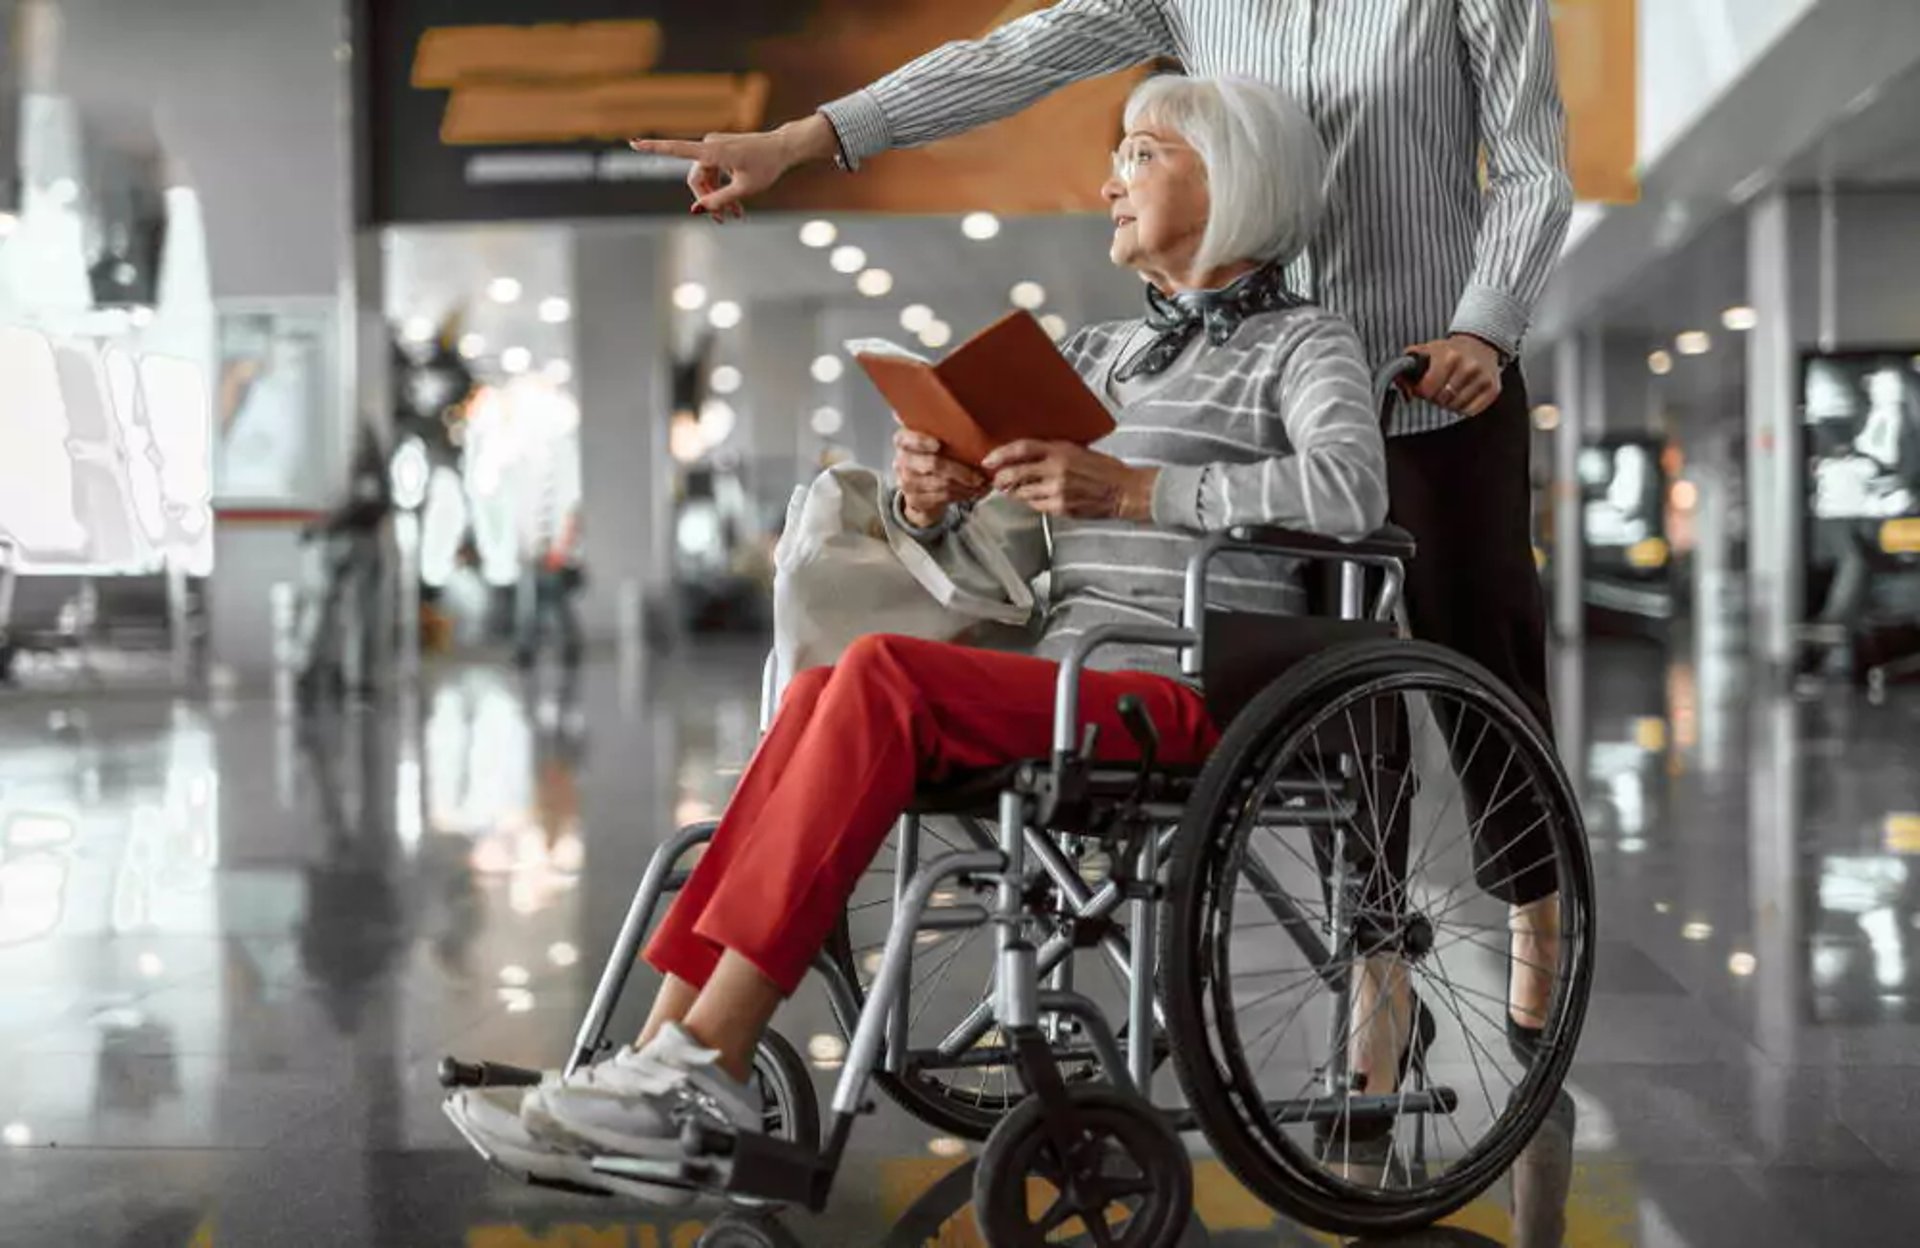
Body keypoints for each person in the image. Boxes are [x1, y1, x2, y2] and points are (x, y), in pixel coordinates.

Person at [447, 74, 1392, 1201]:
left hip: (1180, 683)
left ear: (1234, 178)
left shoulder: (1303, 345)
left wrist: (1140, 493)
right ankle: (658, 1058)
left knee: (878, 676)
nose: (1110, 180)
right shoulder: (1102, 355)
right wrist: (932, 497)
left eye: (1141, 154)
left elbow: (1350, 491)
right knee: (818, 696)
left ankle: (703, 1059)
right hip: (1060, 667)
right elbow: (1007, 533)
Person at [631, 0, 1573, 1053]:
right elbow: (1014, 58)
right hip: (1235, 368)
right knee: (1338, 706)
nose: (1114, 180)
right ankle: (1379, 965)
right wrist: (806, 140)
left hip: (1430, 370)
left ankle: (1536, 897)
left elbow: (1531, 166)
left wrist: (1486, 327)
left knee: (1476, 648)